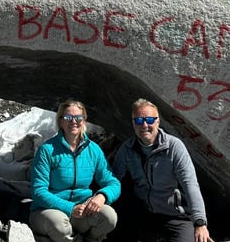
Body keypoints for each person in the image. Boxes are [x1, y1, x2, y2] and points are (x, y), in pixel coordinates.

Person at [112, 98, 212, 242]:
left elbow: (190, 185)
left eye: (150, 120)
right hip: (143, 212)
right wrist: (100, 199)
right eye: (139, 121)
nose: (145, 125)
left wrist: (200, 222)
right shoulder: (127, 149)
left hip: (176, 216)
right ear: (133, 123)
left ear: (158, 121)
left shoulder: (174, 147)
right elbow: (114, 180)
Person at [29, 99, 121, 242]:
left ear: (84, 121)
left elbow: (113, 182)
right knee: (59, 225)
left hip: (82, 212)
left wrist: (102, 196)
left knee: (108, 217)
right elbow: (38, 191)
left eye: (78, 117)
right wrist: (71, 208)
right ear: (60, 121)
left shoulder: (93, 150)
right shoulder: (47, 150)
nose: (74, 122)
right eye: (68, 118)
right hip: (47, 211)